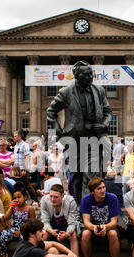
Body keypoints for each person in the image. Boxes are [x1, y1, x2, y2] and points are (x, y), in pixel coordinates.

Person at [47, 60, 112, 205]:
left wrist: (103, 125)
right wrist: (61, 133)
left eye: (91, 74)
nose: (90, 77)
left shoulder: (99, 90)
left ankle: (88, 209)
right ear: (77, 76)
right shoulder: (66, 92)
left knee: (92, 175)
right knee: (77, 177)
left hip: (94, 139)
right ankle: (79, 205)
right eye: (87, 75)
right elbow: (51, 112)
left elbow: (107, 111)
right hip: (75, 140)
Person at [80, 177, 122, 257]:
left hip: (108, 227)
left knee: (113, 234)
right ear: (92, 192)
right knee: (85, 234)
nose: (103, 190)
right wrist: (94, 228)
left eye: (103, 187)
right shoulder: (86, 199)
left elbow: (114, 222)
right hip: (93, 227)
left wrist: (105, 227)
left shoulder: (112, 198)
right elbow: (86, 222)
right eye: (99, 189)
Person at [41, 184, 80, 257]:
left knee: (73, 236)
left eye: (56, 197)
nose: (52, 199)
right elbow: (44, 221)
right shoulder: (45, 201)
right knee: (43, 234)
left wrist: (67, 234)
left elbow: (72, 223)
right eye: (51, 196)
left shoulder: (70, 201)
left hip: (66, 227)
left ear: (62, 196)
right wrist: (51, 231)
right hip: (51, 228)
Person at [0, 182, 35, 257]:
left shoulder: (30, 209)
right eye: (15, 198)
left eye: (19, 197)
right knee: (0, 236)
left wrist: (21, 231)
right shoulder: (14, 208)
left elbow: (33, 224)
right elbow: (5, 218)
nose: (17, 199)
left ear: (25, 197)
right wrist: (11, 207)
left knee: (24, 240)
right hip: (14, 229)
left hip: (25, 230)